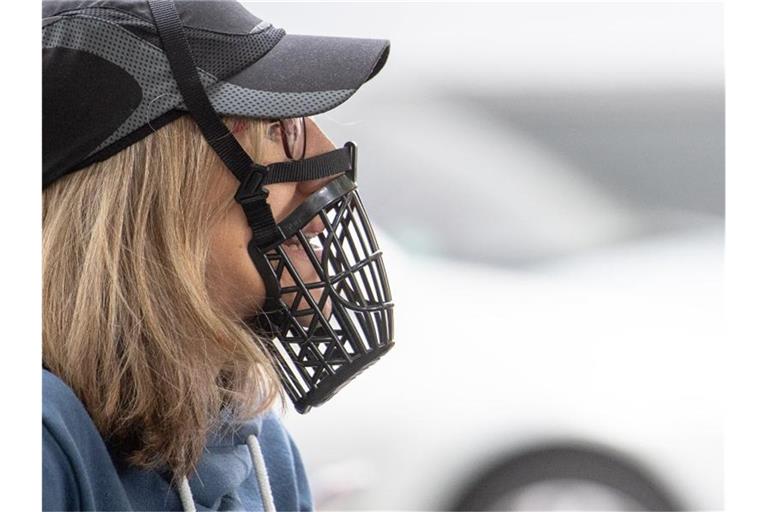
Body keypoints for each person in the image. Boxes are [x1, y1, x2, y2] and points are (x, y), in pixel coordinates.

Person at [42, 1, 395, 510]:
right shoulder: (39, 441)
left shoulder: (261, 448)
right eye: (280, 129)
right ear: (158, 184)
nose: (321, 182)